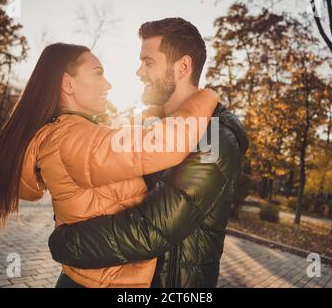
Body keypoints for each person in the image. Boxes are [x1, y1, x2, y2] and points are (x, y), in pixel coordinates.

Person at [0, 42, 219, 288]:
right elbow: (165, 144)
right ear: (68, 83)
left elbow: (122, 145)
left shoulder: (72, 134)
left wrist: (152, 112)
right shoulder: (71, 138)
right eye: (98, 74)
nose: (108, 84)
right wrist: (207, 97)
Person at [48, 18, 249, 288]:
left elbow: (150, 231)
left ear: (183, 67)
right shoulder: (141, 128)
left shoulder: (216, 138)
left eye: (149, 62)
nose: (139, 71)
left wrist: (64, 243)